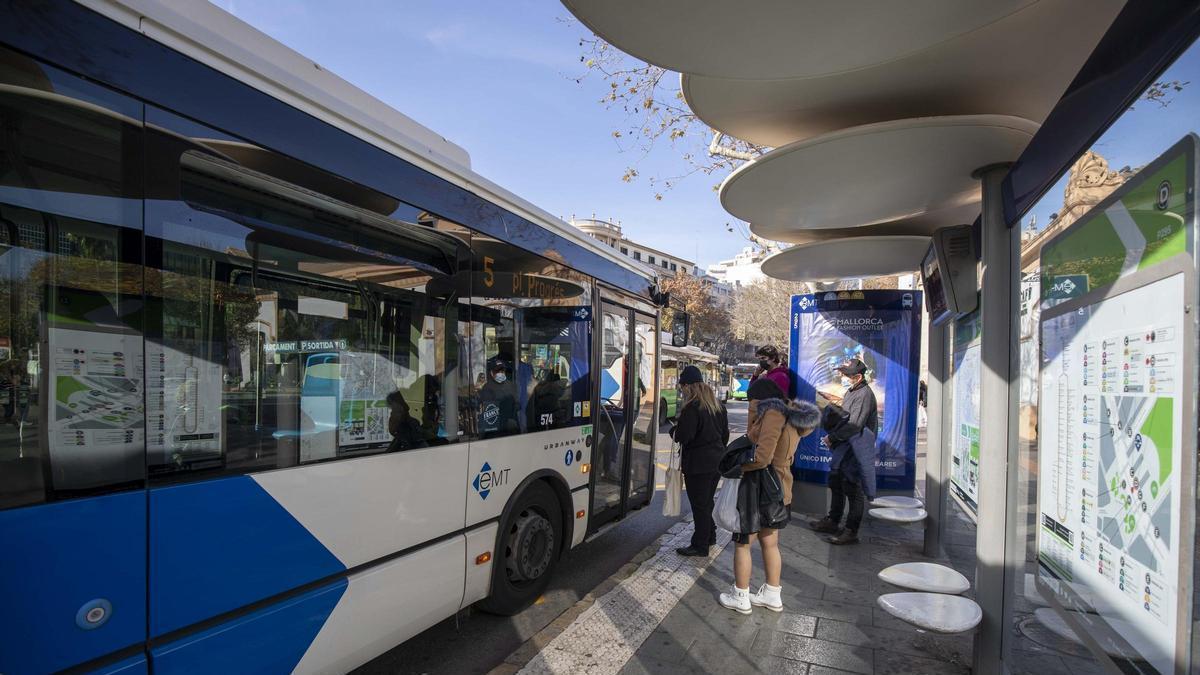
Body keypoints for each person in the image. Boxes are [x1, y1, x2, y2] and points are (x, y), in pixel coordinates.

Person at [718, 378, 819, 614]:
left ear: (761, 399)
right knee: (770, 542)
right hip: (780, 487)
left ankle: (740, 595)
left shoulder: (773, 414)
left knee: (743, 542)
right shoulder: (792, 416)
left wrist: (738, 468)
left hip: (759, 490)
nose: (750, 407)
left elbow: (763, 457)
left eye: (752, 402)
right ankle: (772, 594)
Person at [810, 358, 879, 545]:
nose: (843, 377)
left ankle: (851, 530)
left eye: (846, 374)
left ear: (857, 377)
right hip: (845, 446)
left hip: (856, 448)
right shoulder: (852, 391)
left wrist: (832, 437)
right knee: (836, 482)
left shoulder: (864, 394)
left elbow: (855, 424)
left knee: (852, 488)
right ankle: (833, 520)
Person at [671, 365, 729, 557]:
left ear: (688, 386)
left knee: (699, 506)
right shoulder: (717, 405)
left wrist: (674, 431)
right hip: (716, 462)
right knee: (706, 503)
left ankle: (700, 545)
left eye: (682, 387)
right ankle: (710, 536)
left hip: (698, 465)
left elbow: (684, 436)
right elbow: (725, 435)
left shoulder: (692, 408)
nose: (681, 390)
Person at [478, 356, 520, 437]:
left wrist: (513, 419)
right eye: (497, 371)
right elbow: (486, 410)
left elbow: (517, 404)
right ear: (491, 373)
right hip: (495, 431)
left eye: (502, 370)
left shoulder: (511, 385)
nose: (501, 373)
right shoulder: (487, 387)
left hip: (510, 429)